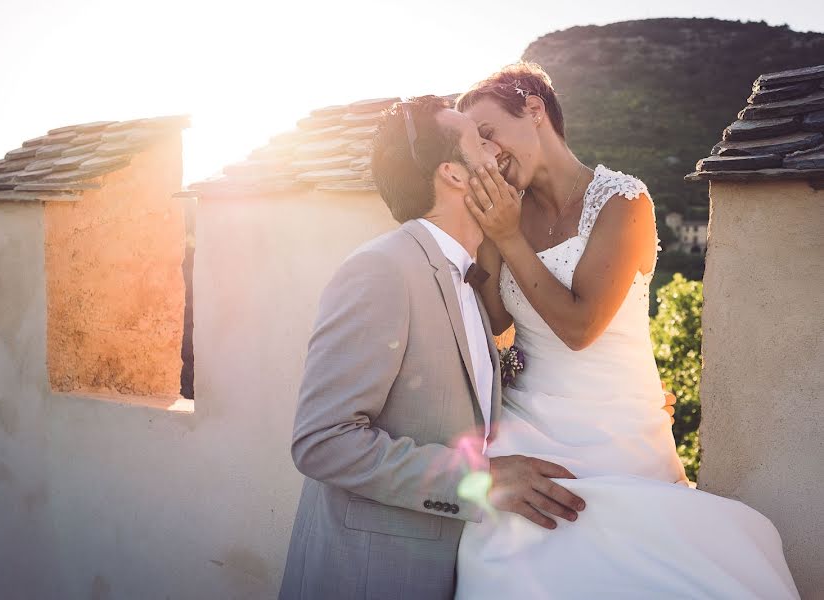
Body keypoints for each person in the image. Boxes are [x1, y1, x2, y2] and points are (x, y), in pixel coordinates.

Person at [453, 61, 798, 598]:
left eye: (490, 132)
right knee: (503, 554)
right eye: (477, 145)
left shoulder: (624, 201)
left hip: (616, 430)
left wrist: (508, 238)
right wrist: (488, 235)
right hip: (530, 422)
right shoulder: (508, 213)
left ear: (535, 110)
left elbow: (580, 326)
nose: (489, 152)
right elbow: (497, 322)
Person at [278, 95, 590, 600]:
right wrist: (482, 479)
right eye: (479, 140)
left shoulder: (467, 277)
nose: (495, 149)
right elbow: (323, 441)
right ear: (455, 174)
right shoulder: (381, 269)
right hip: (370, 575)